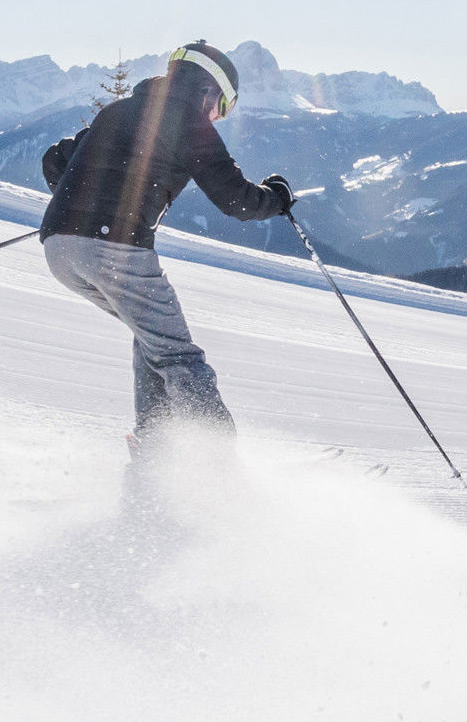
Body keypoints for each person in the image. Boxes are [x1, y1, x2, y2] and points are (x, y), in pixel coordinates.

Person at [40, 41, 293, 445]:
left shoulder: (117, 111)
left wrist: (81, 203)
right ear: (208, 90)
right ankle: (217, 464)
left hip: (58, 248)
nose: (217, 117)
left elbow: (55, 160)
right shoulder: (189, 123)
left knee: (153, 338)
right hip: (114, 247)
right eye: (222, 107)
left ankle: (155, 442)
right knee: (177, 355)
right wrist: (277, 199)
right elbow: (235, 200)